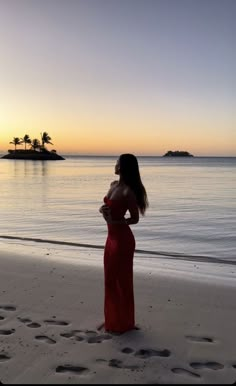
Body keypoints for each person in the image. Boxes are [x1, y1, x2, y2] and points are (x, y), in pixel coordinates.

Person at [99, 153, 148, 333]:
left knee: (122, 282)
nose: (115, 165)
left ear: (122, 167)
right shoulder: (112, 186)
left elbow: (134, 219)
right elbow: (104, 206)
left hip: (122, 241)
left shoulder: (129, 191)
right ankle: (112, 320)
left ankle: (124, 323)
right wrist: (102, 210)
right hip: (110, 239)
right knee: (110, 280)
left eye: (117, 163)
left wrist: (117, 221)